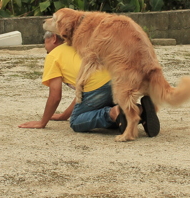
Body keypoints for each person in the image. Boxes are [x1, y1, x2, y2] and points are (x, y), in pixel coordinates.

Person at [18, 32, 159, 136]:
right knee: (102, 108)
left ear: (53, 38)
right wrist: (62, 116)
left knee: (77, 121)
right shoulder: (78, 46)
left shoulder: (53, 55)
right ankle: (137, 110)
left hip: (99, 87)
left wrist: (42, 122)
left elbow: (55, 96)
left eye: (45, 43)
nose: (45, 48)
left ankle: (115, 112)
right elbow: (82, 95)